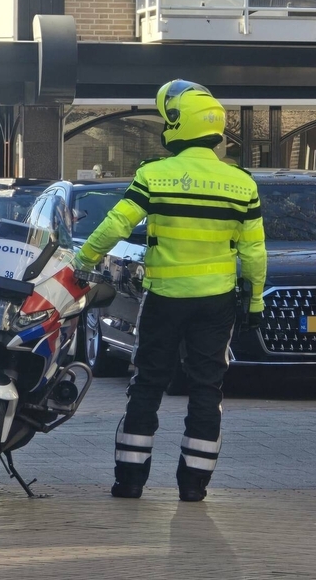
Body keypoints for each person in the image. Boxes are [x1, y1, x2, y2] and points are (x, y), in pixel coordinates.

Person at [74, 79, 267, 502]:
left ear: (179, 127)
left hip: (164, 299)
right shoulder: (242, 184)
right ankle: (194, 486)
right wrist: (254, 301)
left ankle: (130, 480)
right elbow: (254, 252)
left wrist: (82, 262)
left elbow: (115, 225)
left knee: (147, 385)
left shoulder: (154, 176)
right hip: (217, 303)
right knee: (206, 390)